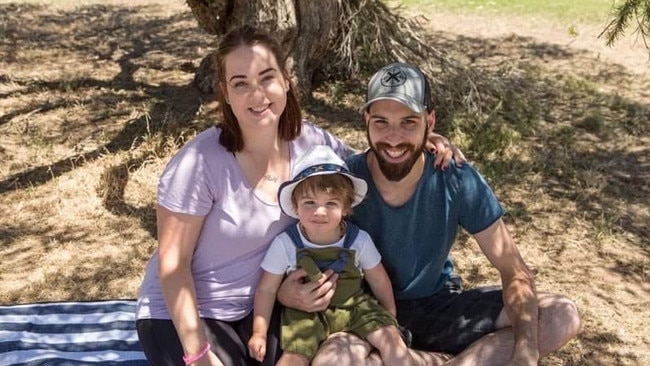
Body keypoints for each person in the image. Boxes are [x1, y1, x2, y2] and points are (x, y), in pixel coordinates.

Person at [134, 25, 460, 366]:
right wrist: (197, 354)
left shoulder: (311, 144)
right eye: (240, 83)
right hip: (183, 316)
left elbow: (371, 167)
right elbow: (173, 267)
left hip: (265, 310)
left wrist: (421, 142)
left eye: (267, 78)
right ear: (225, 94)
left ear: (287, 79)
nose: (257, 95)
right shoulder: (198, 163)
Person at [277, 63, 582, 366]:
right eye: (381, 122)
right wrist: (285, 294)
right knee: (332, 361)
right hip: (364, 311)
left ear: (430, 121)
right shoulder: (342, 183)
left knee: (559, 316)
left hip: (438, 306)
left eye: (409, 122)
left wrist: (526, 350)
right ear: (366, 120)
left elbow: (512, 268)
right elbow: (295, 244)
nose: (394, 138)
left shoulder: (455, 178)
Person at [248, 145, 412, 366]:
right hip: (306, 314)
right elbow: (266, 289)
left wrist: (389, 316)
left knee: (391, 341)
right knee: (294, 356)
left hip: (354, 306)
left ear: (346, 208)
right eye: (309, 203)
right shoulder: (285, 244)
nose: (319, 212)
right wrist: (259, 332)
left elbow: (378, 279)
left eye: (331, 203)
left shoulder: (358, 240)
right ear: (296, 206)